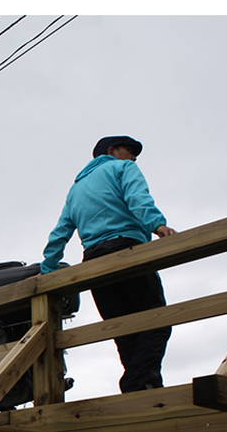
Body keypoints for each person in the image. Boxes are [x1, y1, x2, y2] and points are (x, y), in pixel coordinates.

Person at [40, 135, 178, 392]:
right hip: (128, 250)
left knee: (122, 329)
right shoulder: (123, 168)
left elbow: (60, 232)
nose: (134, 157)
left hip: (93, 262)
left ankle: (142, 390)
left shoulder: (76, 189)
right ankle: (139, 384)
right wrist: (157, 225)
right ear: (112, 150)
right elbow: (138, 199)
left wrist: (48, 270)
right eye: (130, 151)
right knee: (157, 321)